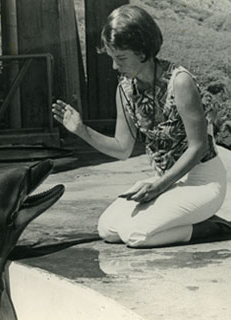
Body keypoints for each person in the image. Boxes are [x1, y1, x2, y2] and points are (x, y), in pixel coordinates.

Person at [52, 4, 229, 248]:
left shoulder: (179, 82)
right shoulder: (125, 89)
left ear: (143, 51)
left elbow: (197, 147)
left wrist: (159, 186)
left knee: (135, 234)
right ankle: (178, 215)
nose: (115, 67)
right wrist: (82, 130)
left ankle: (213, 226)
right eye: (112, 58)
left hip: (202, 180)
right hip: (166, 182)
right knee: (108, 229)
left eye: (121, 58)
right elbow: (122, 148)